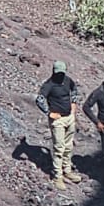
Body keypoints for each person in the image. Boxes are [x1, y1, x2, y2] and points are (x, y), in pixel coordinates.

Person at [34, 60, 81, 188]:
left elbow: (74, 90)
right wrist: (49, 113)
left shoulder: (68, 80)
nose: (60, 75)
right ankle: (57, 176)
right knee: (59, 148)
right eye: (58, 73)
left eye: (62, 73)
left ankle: (67, 170)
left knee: (68, 146)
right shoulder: (49, 85)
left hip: (69, 117)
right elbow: (39, 99)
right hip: (57, 120)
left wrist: (74, 104)